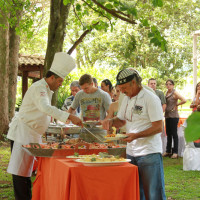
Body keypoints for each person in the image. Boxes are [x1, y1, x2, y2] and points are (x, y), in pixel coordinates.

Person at [6, 52, 83, 200]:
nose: (60, 85)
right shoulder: (39, 87)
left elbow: (45, 113)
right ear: (52, 77)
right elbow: (45, 108)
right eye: (60, 81)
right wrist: (69, 116)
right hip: (23, 132)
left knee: (27, 173)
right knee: (20, 174)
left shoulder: (48, 89)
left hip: (32, 134)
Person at [101, 69, 166, 200]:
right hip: (131, 152)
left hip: (149, 152)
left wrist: (136, 135)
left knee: (153, 195)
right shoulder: (125, 98)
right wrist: (111, 121)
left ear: (134, 83)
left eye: (124, 88)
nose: (122, 91)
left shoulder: (150, 98)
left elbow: (159, 127)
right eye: (120, 88)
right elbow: (121, 120)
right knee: (136, 193)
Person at [163, 79, 186, 159]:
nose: (168, 85)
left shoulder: (174, 92)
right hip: (167, 115)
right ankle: (168, 151)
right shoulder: (166, 92)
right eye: (167, 84)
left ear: (173, 85)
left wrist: (177, 105)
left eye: (170, 84)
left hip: (174, 116)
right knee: (168, 134)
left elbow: (184, 100)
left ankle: (175, 152)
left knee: (174, 134)